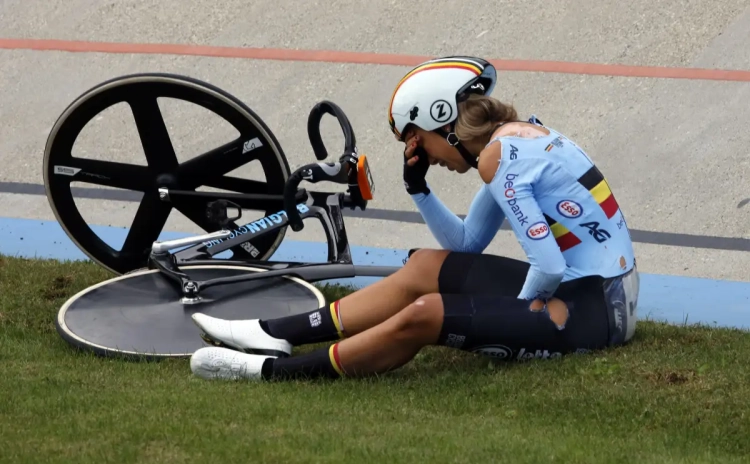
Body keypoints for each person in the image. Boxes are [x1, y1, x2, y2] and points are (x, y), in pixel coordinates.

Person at [188, 55, 640, 381]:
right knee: (424, 266)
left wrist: (511, 316)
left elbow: (550, 267)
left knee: (426, 313)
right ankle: (275, 333)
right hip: (598, 289)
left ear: (442, 120)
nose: (418, 150)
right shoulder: (517, 140)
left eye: (416, 137)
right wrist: (418, 188)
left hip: (593, 308)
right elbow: (464, 246)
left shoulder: (499, 160)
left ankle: (273, 371)